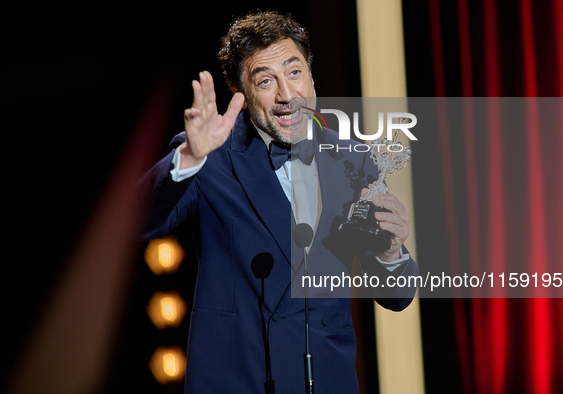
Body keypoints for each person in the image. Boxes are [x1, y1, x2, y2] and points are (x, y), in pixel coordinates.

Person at [138, 11, 419, 393]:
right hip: (240, 382)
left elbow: (397, 296)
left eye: (295, 72)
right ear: (239, 92)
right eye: (266, 81)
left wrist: (390, 253)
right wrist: (189, 158)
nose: (287, 95)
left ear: (311, 75)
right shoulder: (210, 158)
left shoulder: (354, 160)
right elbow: (137, 219)